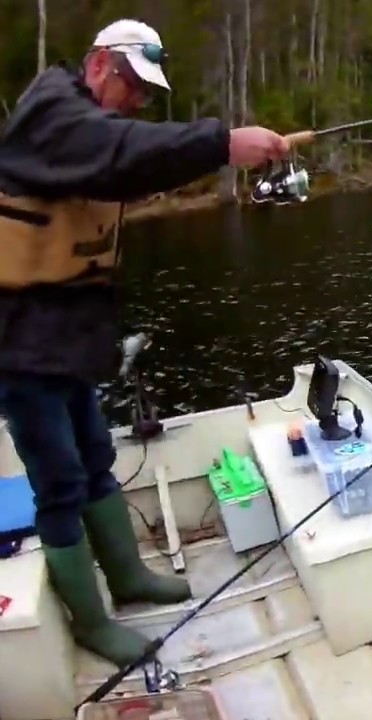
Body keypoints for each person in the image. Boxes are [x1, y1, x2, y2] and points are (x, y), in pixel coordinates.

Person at [0, 19, 289, 669]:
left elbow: (128, 162)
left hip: (66, 335)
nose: (137, 100)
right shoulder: (54, 114)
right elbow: (116, 148)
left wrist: (228, 151)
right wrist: (221, 142)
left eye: (145, 93)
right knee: (59, 482)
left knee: (97, 456)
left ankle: (128, 579)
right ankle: (91, 623)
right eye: (131, 84)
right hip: (18, 342)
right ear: (99, 63)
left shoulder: (84, 131)